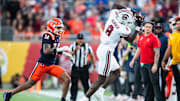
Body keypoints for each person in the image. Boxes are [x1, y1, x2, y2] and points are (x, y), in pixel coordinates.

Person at [80, 3, 144, 101]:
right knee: (101, 78)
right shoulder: (123, 29)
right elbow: (131, 40)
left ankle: (100, 91)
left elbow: (115, 5)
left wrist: (129, 10)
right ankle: (85, 98)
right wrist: (137, 28)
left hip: (102, 47)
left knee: (117, 71)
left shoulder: (113, 16)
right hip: (107, 51)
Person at [3, 18, 71, 101]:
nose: (60, 30)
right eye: (58, 28)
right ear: (52, 27)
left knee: (67, 79)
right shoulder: (47, 35)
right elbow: (46, 51)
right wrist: (61, 49)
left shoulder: (56, 36)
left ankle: (63, 99)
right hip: (43, 64)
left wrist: (65, 53)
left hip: (51, 65)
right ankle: (10, 93)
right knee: (29, 83)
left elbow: (54, 50)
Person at [130, 22, 165, 101]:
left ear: (152, 28)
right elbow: (139, 50)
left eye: (149, 27)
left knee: (155, 84)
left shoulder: (154, 38)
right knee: (146, 83)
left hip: (151, 63)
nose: (147, 28)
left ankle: (159, 99)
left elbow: (157, 53)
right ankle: (148, 99)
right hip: (143, 63)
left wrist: (155, 65)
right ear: (144, 27)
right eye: (146, 27)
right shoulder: (141, 37)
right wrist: (133, 60)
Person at [69, 33, 96, 101]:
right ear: (76, 39)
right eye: (79, 39)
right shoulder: (72, 46)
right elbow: (69, 55)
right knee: (74, 84)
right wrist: (75, 50)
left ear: (83, 39)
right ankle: (73, 98)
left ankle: (87, 98)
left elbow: (92, 56)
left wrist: (94, 66)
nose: (80, 41)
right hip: (75, 67)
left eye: (81, 39)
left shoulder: (87, 46)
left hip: (84, 68)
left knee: (86, 84)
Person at [162, 17, 180, 101]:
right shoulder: (172, 36)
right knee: (178, 84)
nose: (178, 25)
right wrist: (164, 60)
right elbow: (169, 49)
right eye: (177, 24)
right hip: (175, 63)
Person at [154, 23, 168, 101]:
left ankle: (163, 96)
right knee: (155, 79)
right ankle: (158, 96)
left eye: (159, 28)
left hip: (163, 60)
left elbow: (167, 50)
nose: (158, 29)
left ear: (162, 29)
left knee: (163, 79)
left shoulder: (165, 38)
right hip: (155, 60)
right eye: (157, 28)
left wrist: (165, 61)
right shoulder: (154, 37)